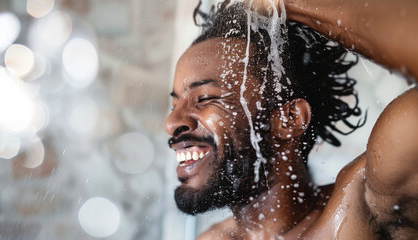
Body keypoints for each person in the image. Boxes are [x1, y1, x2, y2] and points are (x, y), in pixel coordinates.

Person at [165, 0, 418, 239]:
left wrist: (282, 5)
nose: (171, 123)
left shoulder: (366, 207)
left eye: (205, 98)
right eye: (175, 103)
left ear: (290, 119)